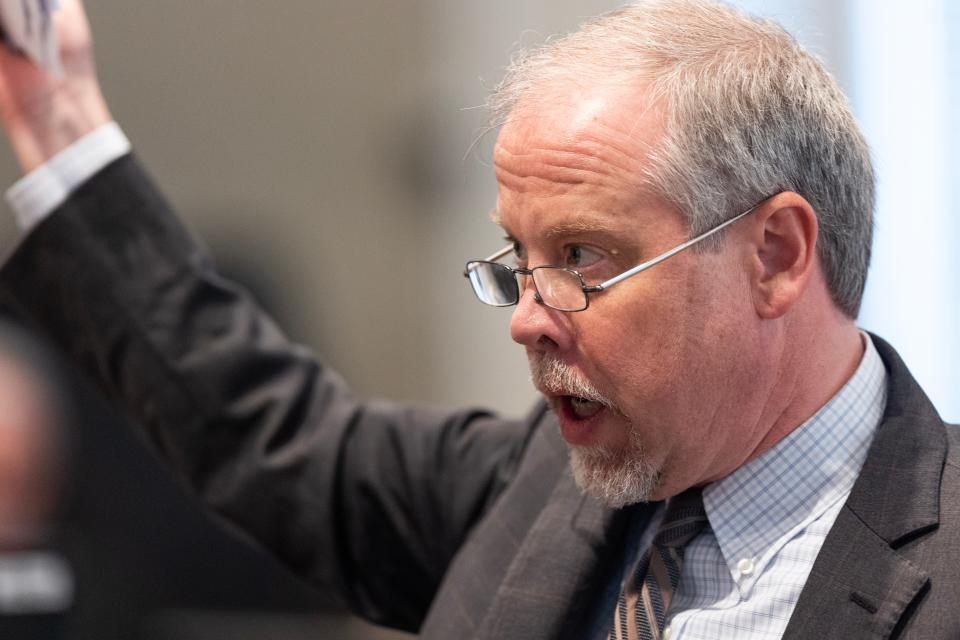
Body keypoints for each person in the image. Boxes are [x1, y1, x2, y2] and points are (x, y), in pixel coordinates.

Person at [0, 0, 956, 639]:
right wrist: (59, 118)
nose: (528, 322)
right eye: (518, 260)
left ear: (777, 254)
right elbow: (257, 426)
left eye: (583, 256)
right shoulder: (531, 490)